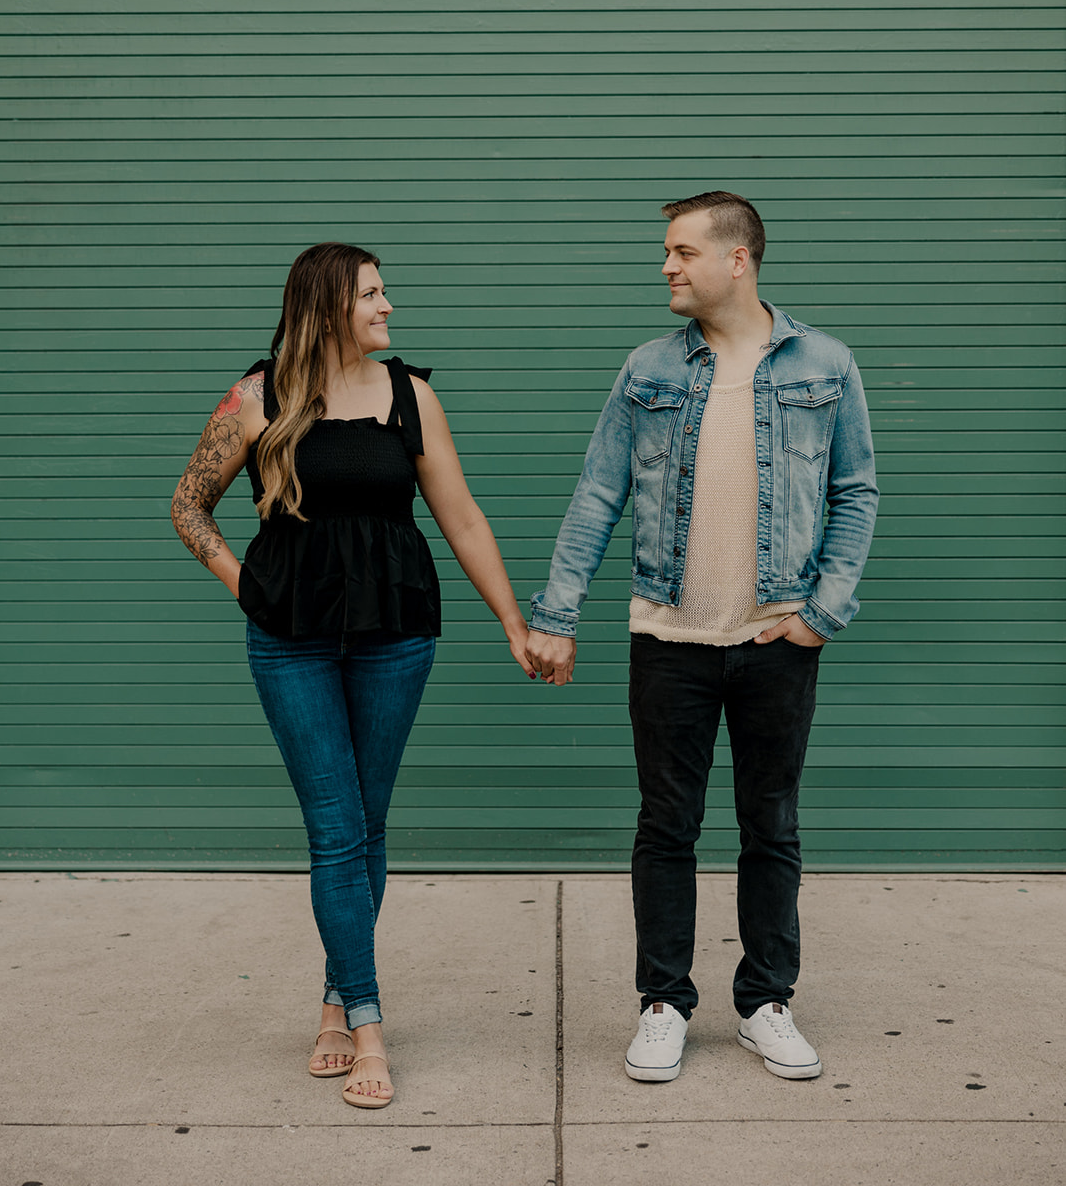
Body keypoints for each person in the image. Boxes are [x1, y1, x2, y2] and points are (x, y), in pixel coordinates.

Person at [524, 192, 877, 1084]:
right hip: (668, 638)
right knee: (666, 827)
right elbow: (597, 493)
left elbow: (854, 492)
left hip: (775, 640)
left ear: (737, 260)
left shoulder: (824, 364)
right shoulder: (647, 368)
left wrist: (820, 612)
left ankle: (764, 1001)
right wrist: (555, 615)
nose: (667, 267)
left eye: (682, 252)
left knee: (771, 826)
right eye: (667, 252)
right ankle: (662, 1003)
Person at [171, 242, 531, 1109]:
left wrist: (514, 623)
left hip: (396, 632)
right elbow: (188, 503)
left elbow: (463, 517)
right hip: (290, 640)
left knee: (367, 826)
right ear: (330, 304)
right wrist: (246, 585)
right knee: (336, 832)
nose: (388, 307)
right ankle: (369, 1024)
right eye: (373, 293)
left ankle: (335, 1000)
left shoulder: (411, 396)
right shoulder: (257, 398)